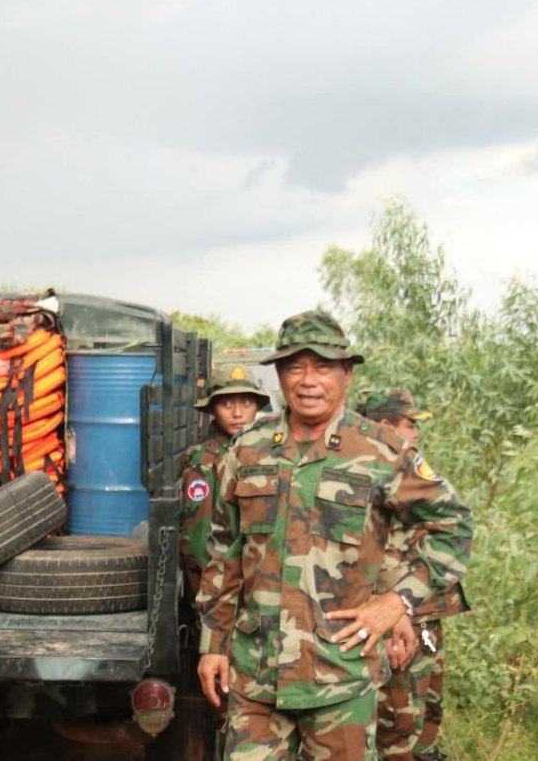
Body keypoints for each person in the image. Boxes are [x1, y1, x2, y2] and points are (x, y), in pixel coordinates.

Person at [196, 310, 473, 760]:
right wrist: (214, 645)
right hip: (255, 675)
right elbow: (224, 552)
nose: (308, 381)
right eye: (294, 367)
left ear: (347, 374)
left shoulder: (382, 451)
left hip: (342, 678)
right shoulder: (247, 449)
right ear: (279, 375)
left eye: (323, 367)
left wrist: (397, 602)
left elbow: (453, 524)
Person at [362, 389, 469, 761]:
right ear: (385, 425)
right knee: (398, 718)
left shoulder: (405, 468)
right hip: (396, 615)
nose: (416, 432)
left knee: (426, 711)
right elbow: (372, 551)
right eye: (410, 424)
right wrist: (396, 612)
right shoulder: (370, 471)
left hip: (424, 612)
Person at [179, 364, 272, 607]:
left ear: (257, 406)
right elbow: (197, 537)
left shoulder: (267, 454)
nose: (237, 413)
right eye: (226, 404)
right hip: (220, 591)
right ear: (212, 409)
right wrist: (210, 596)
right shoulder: (203, 461)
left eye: (246, 403)